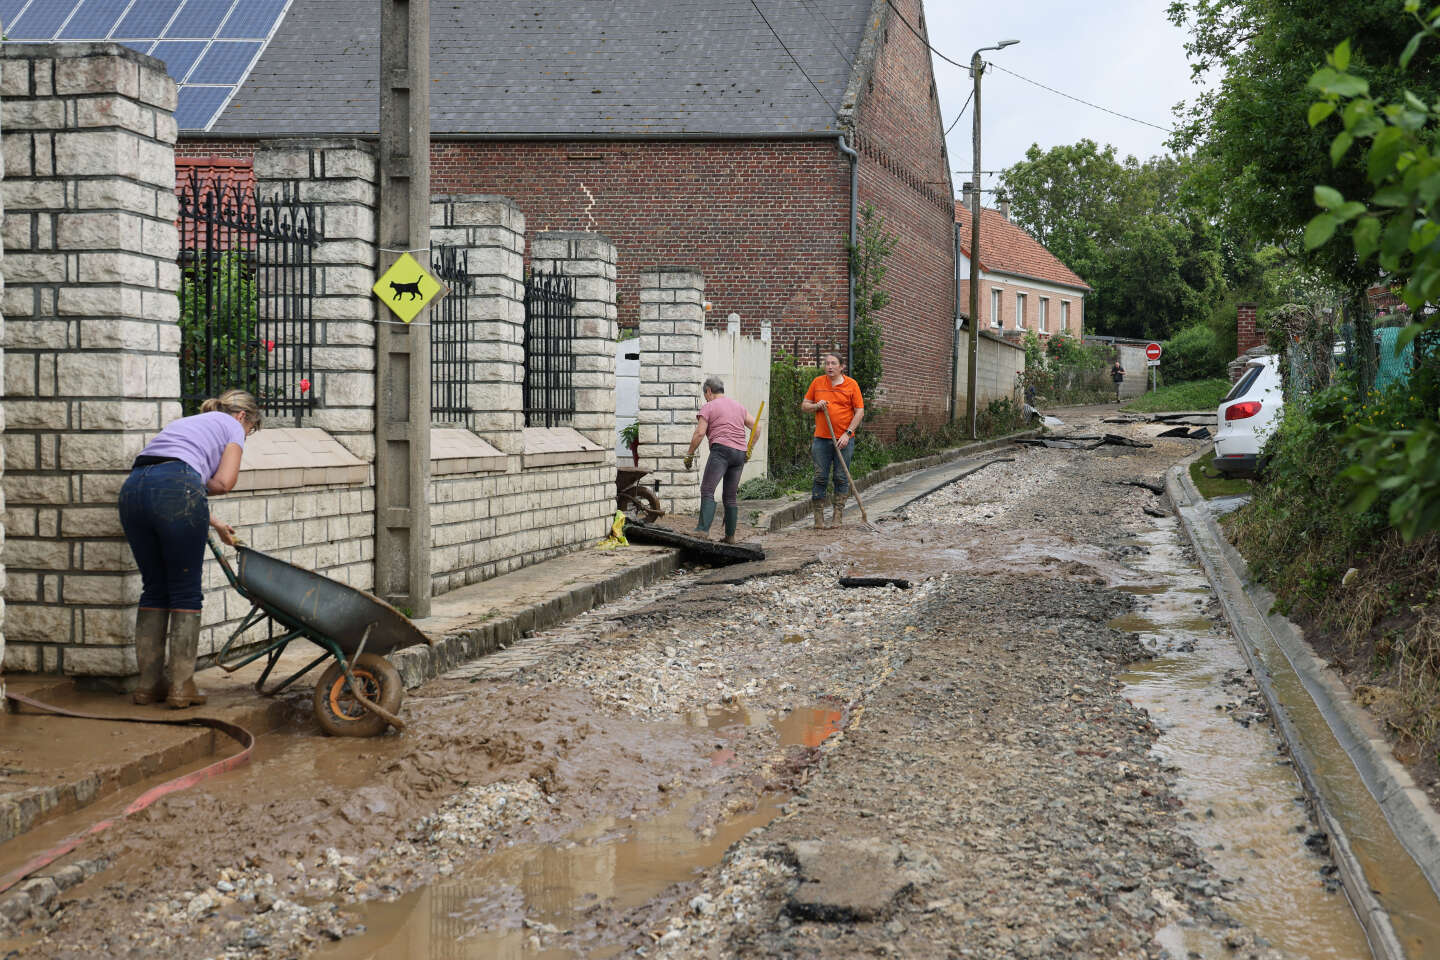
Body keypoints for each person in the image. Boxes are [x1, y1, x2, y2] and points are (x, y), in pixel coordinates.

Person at [119, 390, 260, 708]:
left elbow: (168, 476)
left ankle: (147, 685)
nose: (246, 435)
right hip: (175, 492)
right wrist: (195, 489)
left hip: (133, 489)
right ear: (243, 417)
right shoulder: (233, 426)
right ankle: (182, 686)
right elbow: (222, 482)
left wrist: (213, 521)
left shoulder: (189, 423)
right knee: (184, 592)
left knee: (154, 589)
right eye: (250, 431)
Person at [682, 377, 756, 543]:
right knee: (730, 496)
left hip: (721, 451)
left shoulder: (709, 406)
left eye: (705, 394)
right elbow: (756, 427)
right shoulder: (738, 406)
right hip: (739, 454)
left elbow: (700, 433)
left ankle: (702, 531)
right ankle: (730, 536)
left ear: (708, 391)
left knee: (707, 490)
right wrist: (749, 449)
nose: (705, 398)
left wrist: (690, 454)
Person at [800, 353, 865, 528]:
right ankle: (819, 518)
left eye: (833, 363)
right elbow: (804, 405)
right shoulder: (817, 382)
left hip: (844, 439)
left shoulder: (852, 385)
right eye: (827, 363)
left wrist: (848, 433)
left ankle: (837, 515)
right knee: (820, 476)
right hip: (821, 439)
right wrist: (816, 406)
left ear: (841, 367)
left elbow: (859, 411)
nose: (829, 366)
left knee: (841, 477)